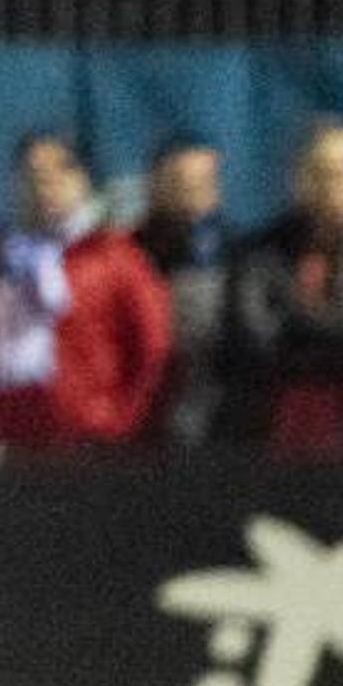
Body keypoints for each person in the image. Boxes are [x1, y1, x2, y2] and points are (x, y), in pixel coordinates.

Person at [0, 133, 171, 452]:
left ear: (83, 180)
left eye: (60, 172)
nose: (45, 186)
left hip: (90, 443)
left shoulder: (115, 258)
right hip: (0, 442)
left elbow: (151, 348)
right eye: (32, 176)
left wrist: (117, 421)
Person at [221, 122, 343, 463]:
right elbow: (253, 345)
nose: (334, 187)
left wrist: (300, 323)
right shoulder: (259, 253)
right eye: (323, 174)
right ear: (299, 179)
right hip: (271, 434)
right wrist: (342, 341)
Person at [134, 134, 232, 450]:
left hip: (224, 411)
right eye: (181, 182)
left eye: (204, 181)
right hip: (147, 411)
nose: (193, 193)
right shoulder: (129, 255)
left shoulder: (243, 252)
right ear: (156, 185)